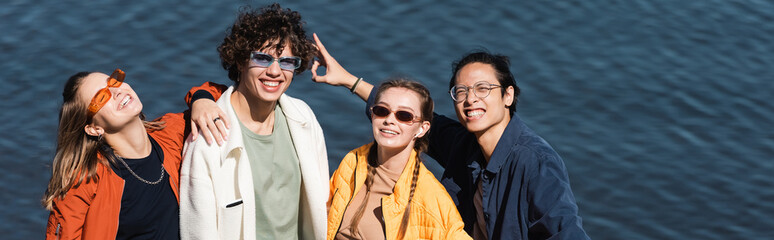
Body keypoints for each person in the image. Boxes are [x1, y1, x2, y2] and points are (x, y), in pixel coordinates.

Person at [312, 35, 590, 239]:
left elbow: (565, 230)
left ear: (508, 95)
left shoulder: (535, 161)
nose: (470, 99)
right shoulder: (464, 144)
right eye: (461, 91)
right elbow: (406, 116)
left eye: (483, 89)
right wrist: (349, 80)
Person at [180, 4, 328, 240]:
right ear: (240, 61)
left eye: (287, 62)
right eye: (262, 58)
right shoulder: (209, 137)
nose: (275, 71)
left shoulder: (304, 118)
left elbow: (322, 199)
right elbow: (198, 231)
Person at [42, 69, 223, 239]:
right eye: (102, 97)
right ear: (94, 128)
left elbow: (234, 95)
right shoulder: (85, 179)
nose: (116, 92)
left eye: (114, 81)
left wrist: (201, 100)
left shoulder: (169, 135)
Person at [327, 79, 471, 240]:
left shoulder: (431, 198)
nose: (389, 120)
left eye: (404, 115)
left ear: (422, 129)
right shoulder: (352, 162)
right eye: (382, 110)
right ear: (373, 114)